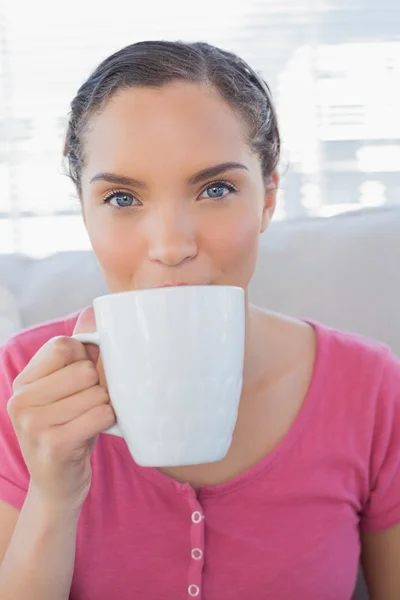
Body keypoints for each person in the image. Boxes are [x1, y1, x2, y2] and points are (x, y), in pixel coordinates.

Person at [0, 40, 399, 600]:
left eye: (216, 189)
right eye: (120, 198)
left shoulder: (369, 386)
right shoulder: (22, 382)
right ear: (85, 214)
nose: (170, 246)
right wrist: (54, 493)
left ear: (268, 199)